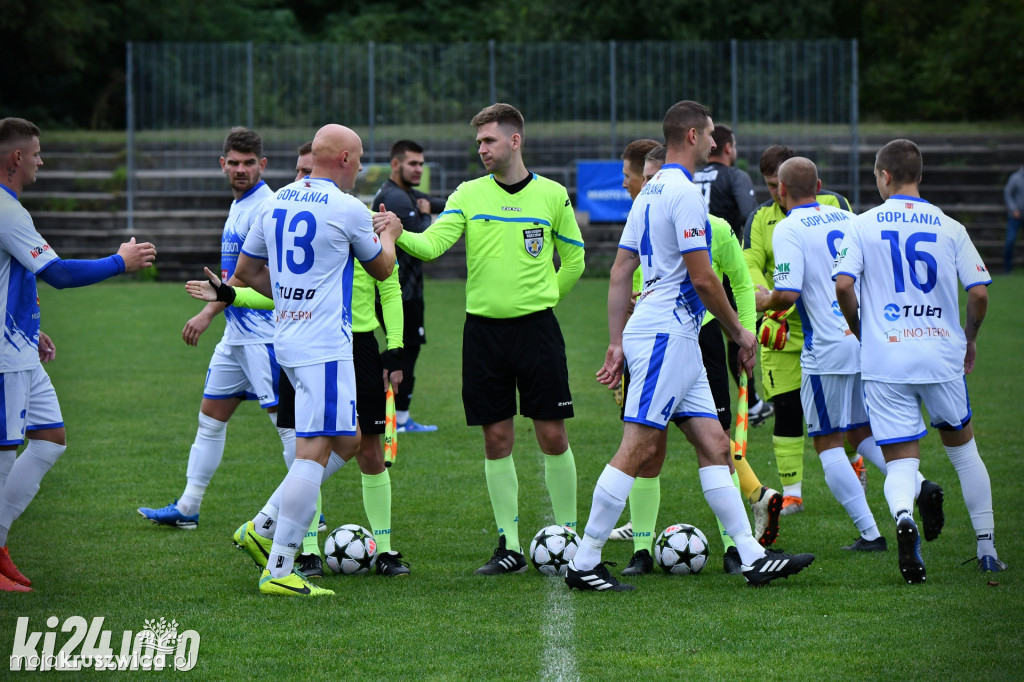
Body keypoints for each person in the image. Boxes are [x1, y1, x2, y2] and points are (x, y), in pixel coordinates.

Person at [566, 101, 813, 592]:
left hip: (666, 334)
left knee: (716, 445)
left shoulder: (650, 191)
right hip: (666, 336)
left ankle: (750, 556)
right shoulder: (682, 192)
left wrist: (617, 342)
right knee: (637, 447)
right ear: (694, 135)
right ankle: (584, 560)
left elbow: (620, 272)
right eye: (710, 136)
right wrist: (740, 333)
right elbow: (703, 278)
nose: (715, 143)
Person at [195, 142, 410, 578]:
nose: (363, 165)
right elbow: (384, 269)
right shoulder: (347, 206)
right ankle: (277, 561)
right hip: (326, 347)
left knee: (346, 441)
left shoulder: (273, 202)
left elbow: (246, 270)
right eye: (360, 156)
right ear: (346, 160)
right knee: (312, 455)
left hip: (287, 341)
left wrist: (294, 296)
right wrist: (391, 234)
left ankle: (266, 528)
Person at [390, 103, 585, 574]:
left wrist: (541, 298)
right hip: (482, 334)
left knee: (552, 434)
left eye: (489, 141)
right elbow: (433, 246)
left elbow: (574, 261)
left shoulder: (552, 195)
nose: (481, 149)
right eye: (478, 142)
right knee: (496, 438)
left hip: (537, 330)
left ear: (514, 141)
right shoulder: (468, 194)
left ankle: (570, 538)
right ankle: (510, 545)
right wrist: (400, 233)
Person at [609, 144, 783, 577]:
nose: (649, 187)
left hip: (701, 336)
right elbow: (628, 287)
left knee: (717, 444)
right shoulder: (646, 219)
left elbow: (738, 285)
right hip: (659, 339)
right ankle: (635, 551)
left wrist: (741, 337)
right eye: (645, 181)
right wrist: (618, 346)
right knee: (647, 449)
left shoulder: (714, 226)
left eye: (653, 179)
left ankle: (739, 551)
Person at [835, 139, 1004, 583]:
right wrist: (969, 337)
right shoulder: (949, 226)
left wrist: (859, 327)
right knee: (965, 453)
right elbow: (980, 292)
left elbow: (843, 286)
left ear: (884, 176)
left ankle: (904, 516)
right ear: (919, 176)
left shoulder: (862, 224)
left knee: (902, 462)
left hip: (886, 357)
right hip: (940, 356)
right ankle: (986, 548)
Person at [756, 156, 944, 553]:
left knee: (827, 441)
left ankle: (871, 534)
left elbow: (786, 294)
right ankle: (921, 484)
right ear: (820, 185)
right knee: (861, 432)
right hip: (864, 336)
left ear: (783, 190)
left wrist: (760, 301)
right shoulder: (848, 217)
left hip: (826, 350)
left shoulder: (787, 228)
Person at [0, 117, 156, 592]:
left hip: (22, 347)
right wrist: (119, 261)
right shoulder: (6, 210)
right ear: (15, 158)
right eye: (37, 152)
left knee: (49, 438)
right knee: (4, 455)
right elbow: (59, 274)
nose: (42, 160)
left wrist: (33, 325)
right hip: (5, 361)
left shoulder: (11, 209)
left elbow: (16, 276)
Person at [137, 127, 291, 530]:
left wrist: (207, 313)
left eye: (249, 163)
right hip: (237, 335)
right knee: (210, 418)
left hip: (264, 334)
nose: (241, 170)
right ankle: (188, 507)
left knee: (286, 426)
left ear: (263, 165)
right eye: (234, 163)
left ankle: (307, 509)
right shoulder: (239, 203)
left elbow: (254, 274)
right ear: (223, 165)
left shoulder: (267, 206)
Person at [743, 145, 857, 515]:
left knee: (846, 414)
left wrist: (776, 301)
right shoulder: (760, 218)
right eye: (769, 185)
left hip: (828, 327)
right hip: (781, 330)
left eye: (779, 183)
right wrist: (772, 310)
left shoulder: (834, 204)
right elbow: (751, 264)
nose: (776, 192)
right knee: (787, 408)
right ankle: (792, 493)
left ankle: (855, 464)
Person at [694, 125, 773, 427]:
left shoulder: (691, 177)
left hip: (695, 263)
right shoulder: (735, 176)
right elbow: (748, 214)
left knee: (712, 330)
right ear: (728, 148)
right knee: (735, 332)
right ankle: (749, 402)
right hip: (725, 261)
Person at [371, 140, 446, 432]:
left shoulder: (404, 194)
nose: (418, 169)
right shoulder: (398, 200)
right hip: (401, 292)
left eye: (421, 164)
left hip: (402, 289)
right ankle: (397, 419)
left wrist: (434, 206)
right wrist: (427, 215)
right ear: (395, 164)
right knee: (404, 353)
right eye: (412, 163)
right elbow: (422, 240)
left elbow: (437, 201)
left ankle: (393, 415)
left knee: (402, 351)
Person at [1003, 164, 1024, 274]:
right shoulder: (1015, 178)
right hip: (1015, 216)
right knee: (1010, 241)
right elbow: (1007, 193)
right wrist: (1013, 209)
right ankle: (1007, 269)